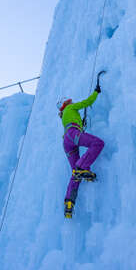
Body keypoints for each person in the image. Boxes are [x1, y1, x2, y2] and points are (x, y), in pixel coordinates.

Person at [57, 82, 104, 219]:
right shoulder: (71, 107)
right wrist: (96, 92)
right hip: (73, 134)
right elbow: (87, 102)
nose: (72, 101)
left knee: (75, 174)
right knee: (97, 143)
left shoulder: (65, 115)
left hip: (67, 141)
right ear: (67, 103)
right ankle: (82, 167)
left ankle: (69, 203)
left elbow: (72, 125)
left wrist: (80, 125)